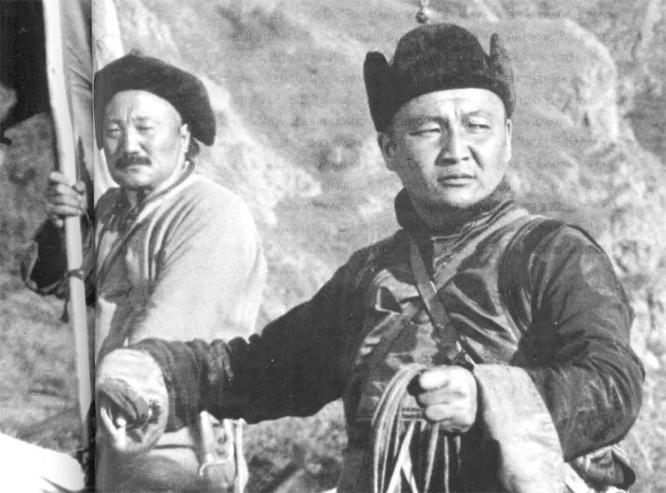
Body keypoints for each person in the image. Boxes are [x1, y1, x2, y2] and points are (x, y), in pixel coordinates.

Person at [95, 24, 643, 492]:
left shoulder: (553, 254)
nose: (456, 150)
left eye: (477, 125)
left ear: (508, 138)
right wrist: (164, 371)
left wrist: (489, 397)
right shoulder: (370, 275)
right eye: (428, 129)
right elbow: (269, 368)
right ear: (388, 149)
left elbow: (614, 382)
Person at [24, 52, 266, 492]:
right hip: (110, 432)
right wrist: (66, 228)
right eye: (113, 131)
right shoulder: (113, 211)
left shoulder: (212, 214)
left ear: (184, 135)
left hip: (173, 447)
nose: (128, 145)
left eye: (145, 128)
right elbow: (58, 283)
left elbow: (164, 345)